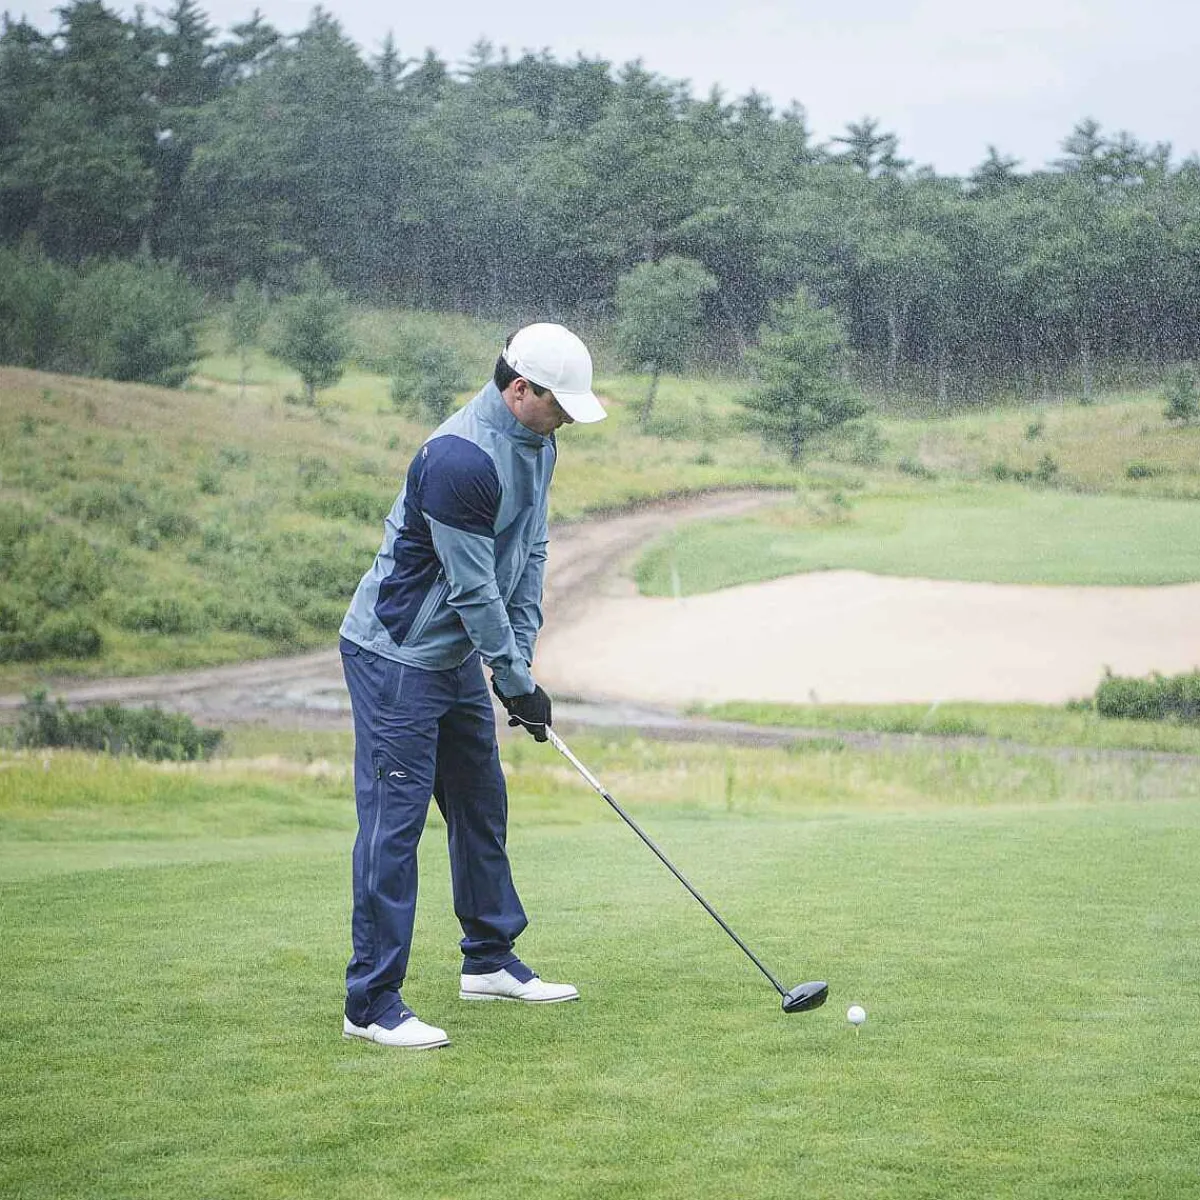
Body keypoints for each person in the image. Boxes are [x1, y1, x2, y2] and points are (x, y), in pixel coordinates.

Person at [338, 323, 607, 1049]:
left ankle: (488, 960)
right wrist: (512, 679)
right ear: (520, 390)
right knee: (395, 826)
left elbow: (530, 550)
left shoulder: (538, 443)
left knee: (480, 802)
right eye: (558, 405)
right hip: (398, 655)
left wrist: (522, 663)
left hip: (453, 653)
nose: (565, 421)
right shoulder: (459, 459)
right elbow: (472, 586)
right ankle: (370, 1003)